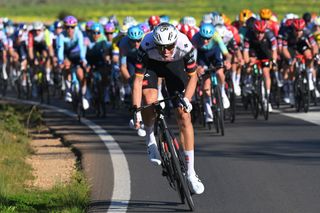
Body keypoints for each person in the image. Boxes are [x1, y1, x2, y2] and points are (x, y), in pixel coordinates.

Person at [132, 22, 204, 195]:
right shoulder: (146, 45)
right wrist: (136, 112)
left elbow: (193, 78)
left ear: (175, 42)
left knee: (183, 115)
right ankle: (150, 139)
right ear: (155, 43)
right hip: (153, 66)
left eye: (169, 46)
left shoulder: (184, 44)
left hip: (175, 66)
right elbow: (137, 82)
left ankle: (191, 173)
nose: (165, 51)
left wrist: (187, 99)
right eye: (161, 47)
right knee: (150, 99)